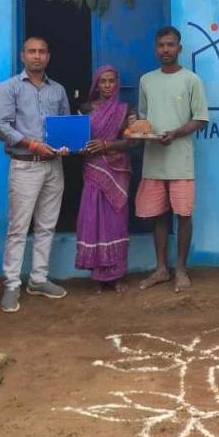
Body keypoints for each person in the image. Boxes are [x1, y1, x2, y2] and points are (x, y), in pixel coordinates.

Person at [0, 36, 70, 313]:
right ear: (22, 55)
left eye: (42, 52)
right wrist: (31, 144)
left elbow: (65, 125)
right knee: (18, 227)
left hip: (54, 165)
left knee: (47, 225)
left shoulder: (58, 90)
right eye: (32, 51)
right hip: (25, 163)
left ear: (48, 56)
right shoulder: (9, 88)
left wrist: (66, 145)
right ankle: (12, 283)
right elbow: (1, 126)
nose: (37, 56)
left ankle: (38, 279)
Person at [136, 26, 208, 293]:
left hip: (181, 161)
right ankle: (161, 269)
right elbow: (143, 117)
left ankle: (181, 269)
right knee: (158, 215)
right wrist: (140, 129)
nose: (165, 50)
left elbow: (200, 118)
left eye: (170, 45)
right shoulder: (146, 80)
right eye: (161, 45)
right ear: (155, 48)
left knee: (183, 215)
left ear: (180, 48)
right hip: (154, 160)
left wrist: (176, 133)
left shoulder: (191, 80)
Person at [75, 65, 136, 292]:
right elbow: (77, 139)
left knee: (115, 222)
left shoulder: (126, 110)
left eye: (111, 81)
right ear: (96, 84)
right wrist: (81, 147)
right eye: (103, 81)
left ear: (117, 83)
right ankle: (98, 277)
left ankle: (117, 275)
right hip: (93, 170)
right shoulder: (85, 109)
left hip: (117, 172)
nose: (108, 85)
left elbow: (134, 140)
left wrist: (106, 145)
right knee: (93, 220)